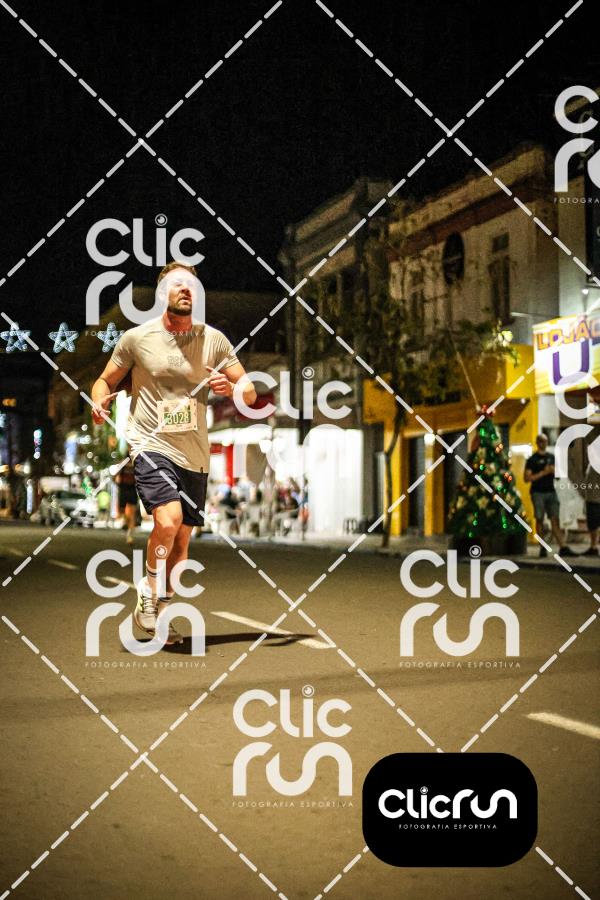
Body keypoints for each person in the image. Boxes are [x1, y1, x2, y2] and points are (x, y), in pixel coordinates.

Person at [91, 261, 256, 643]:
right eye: (178, 284)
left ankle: (161, 613)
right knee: (168, 519)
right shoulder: (136, 339)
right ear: (162, 292)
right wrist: (98, 402)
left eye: (191, 285)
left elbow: (248, 390)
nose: (186, 290)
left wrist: (233, 389)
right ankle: (149, 589)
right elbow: (104, 380)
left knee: (181, 544)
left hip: (194, 452)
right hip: (150, 444)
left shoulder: (213, 340)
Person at [524, 434, 573, 558]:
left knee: (555, 519)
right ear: (537, 442)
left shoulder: (551, 457)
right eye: (541, 441)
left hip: (551, 491)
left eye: (545, 441)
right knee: (539, 519)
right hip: (538, 492)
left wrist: (554, 471)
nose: (543, 443)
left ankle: (563, 546)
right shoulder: (532, 459)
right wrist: (543, 472)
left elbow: (558, 476)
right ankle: (542, 547)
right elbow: (527, 478)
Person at [115, 459, 137, 544]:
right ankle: (126, 522)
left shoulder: (136, 462)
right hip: (124, 489)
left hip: (132, 489)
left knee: (132, 514)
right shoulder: (123, 464)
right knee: (123, 512)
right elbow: (115, 476)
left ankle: (129, 535)